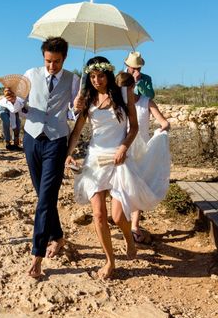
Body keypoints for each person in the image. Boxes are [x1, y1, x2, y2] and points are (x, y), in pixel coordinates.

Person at [66, 57, 163, 280]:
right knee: (99, 215)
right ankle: (110, 261)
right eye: (92, 76)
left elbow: (134, 126)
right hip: (95, 160)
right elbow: (77, 131)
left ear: (108, 75)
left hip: (119, 159)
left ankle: (129, 239)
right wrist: (68, 154)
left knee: (118, 216)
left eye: (100, 76)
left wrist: (123, 147)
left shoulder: (121, 94)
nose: (96, 80)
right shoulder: (87, 99)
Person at [18, 37, 81, 279]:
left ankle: (37, 255)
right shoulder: (30, 75)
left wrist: (77, 105)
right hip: (32, 139)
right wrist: (15, 102)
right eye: (47, 61)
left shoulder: (73, 80)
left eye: (56, 62)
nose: (51, 66)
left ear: (64, 59)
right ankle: (58, 236)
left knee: (45, 198)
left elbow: (75, 113)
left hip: (56, 141)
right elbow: (21, 107)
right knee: (42, 194)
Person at [116, 71, 171, 243]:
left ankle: (134, 226)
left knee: (138, 185)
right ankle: (122, 221)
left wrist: (161, 131)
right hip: (122, 149)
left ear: (133, 87)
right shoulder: (117, 105)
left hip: (142, 150)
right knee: (122, 186)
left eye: (126, 89)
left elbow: (164, 122)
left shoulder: (146, 102)